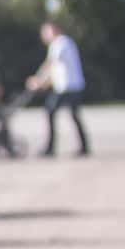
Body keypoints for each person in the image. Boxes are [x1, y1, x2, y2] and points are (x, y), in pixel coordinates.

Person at [26, 20, 89, 156]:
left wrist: (37, 80)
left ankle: (50, 148)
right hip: (72, 86)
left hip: (67, 87)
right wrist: (44, 83)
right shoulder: (65, 42)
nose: (44, 36)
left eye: (46, 32)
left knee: (50, 111)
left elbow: (50, 64)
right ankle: (84, 147)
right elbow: (56, 70)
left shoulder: (60, 43)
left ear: (54, 30)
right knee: (74, 116)